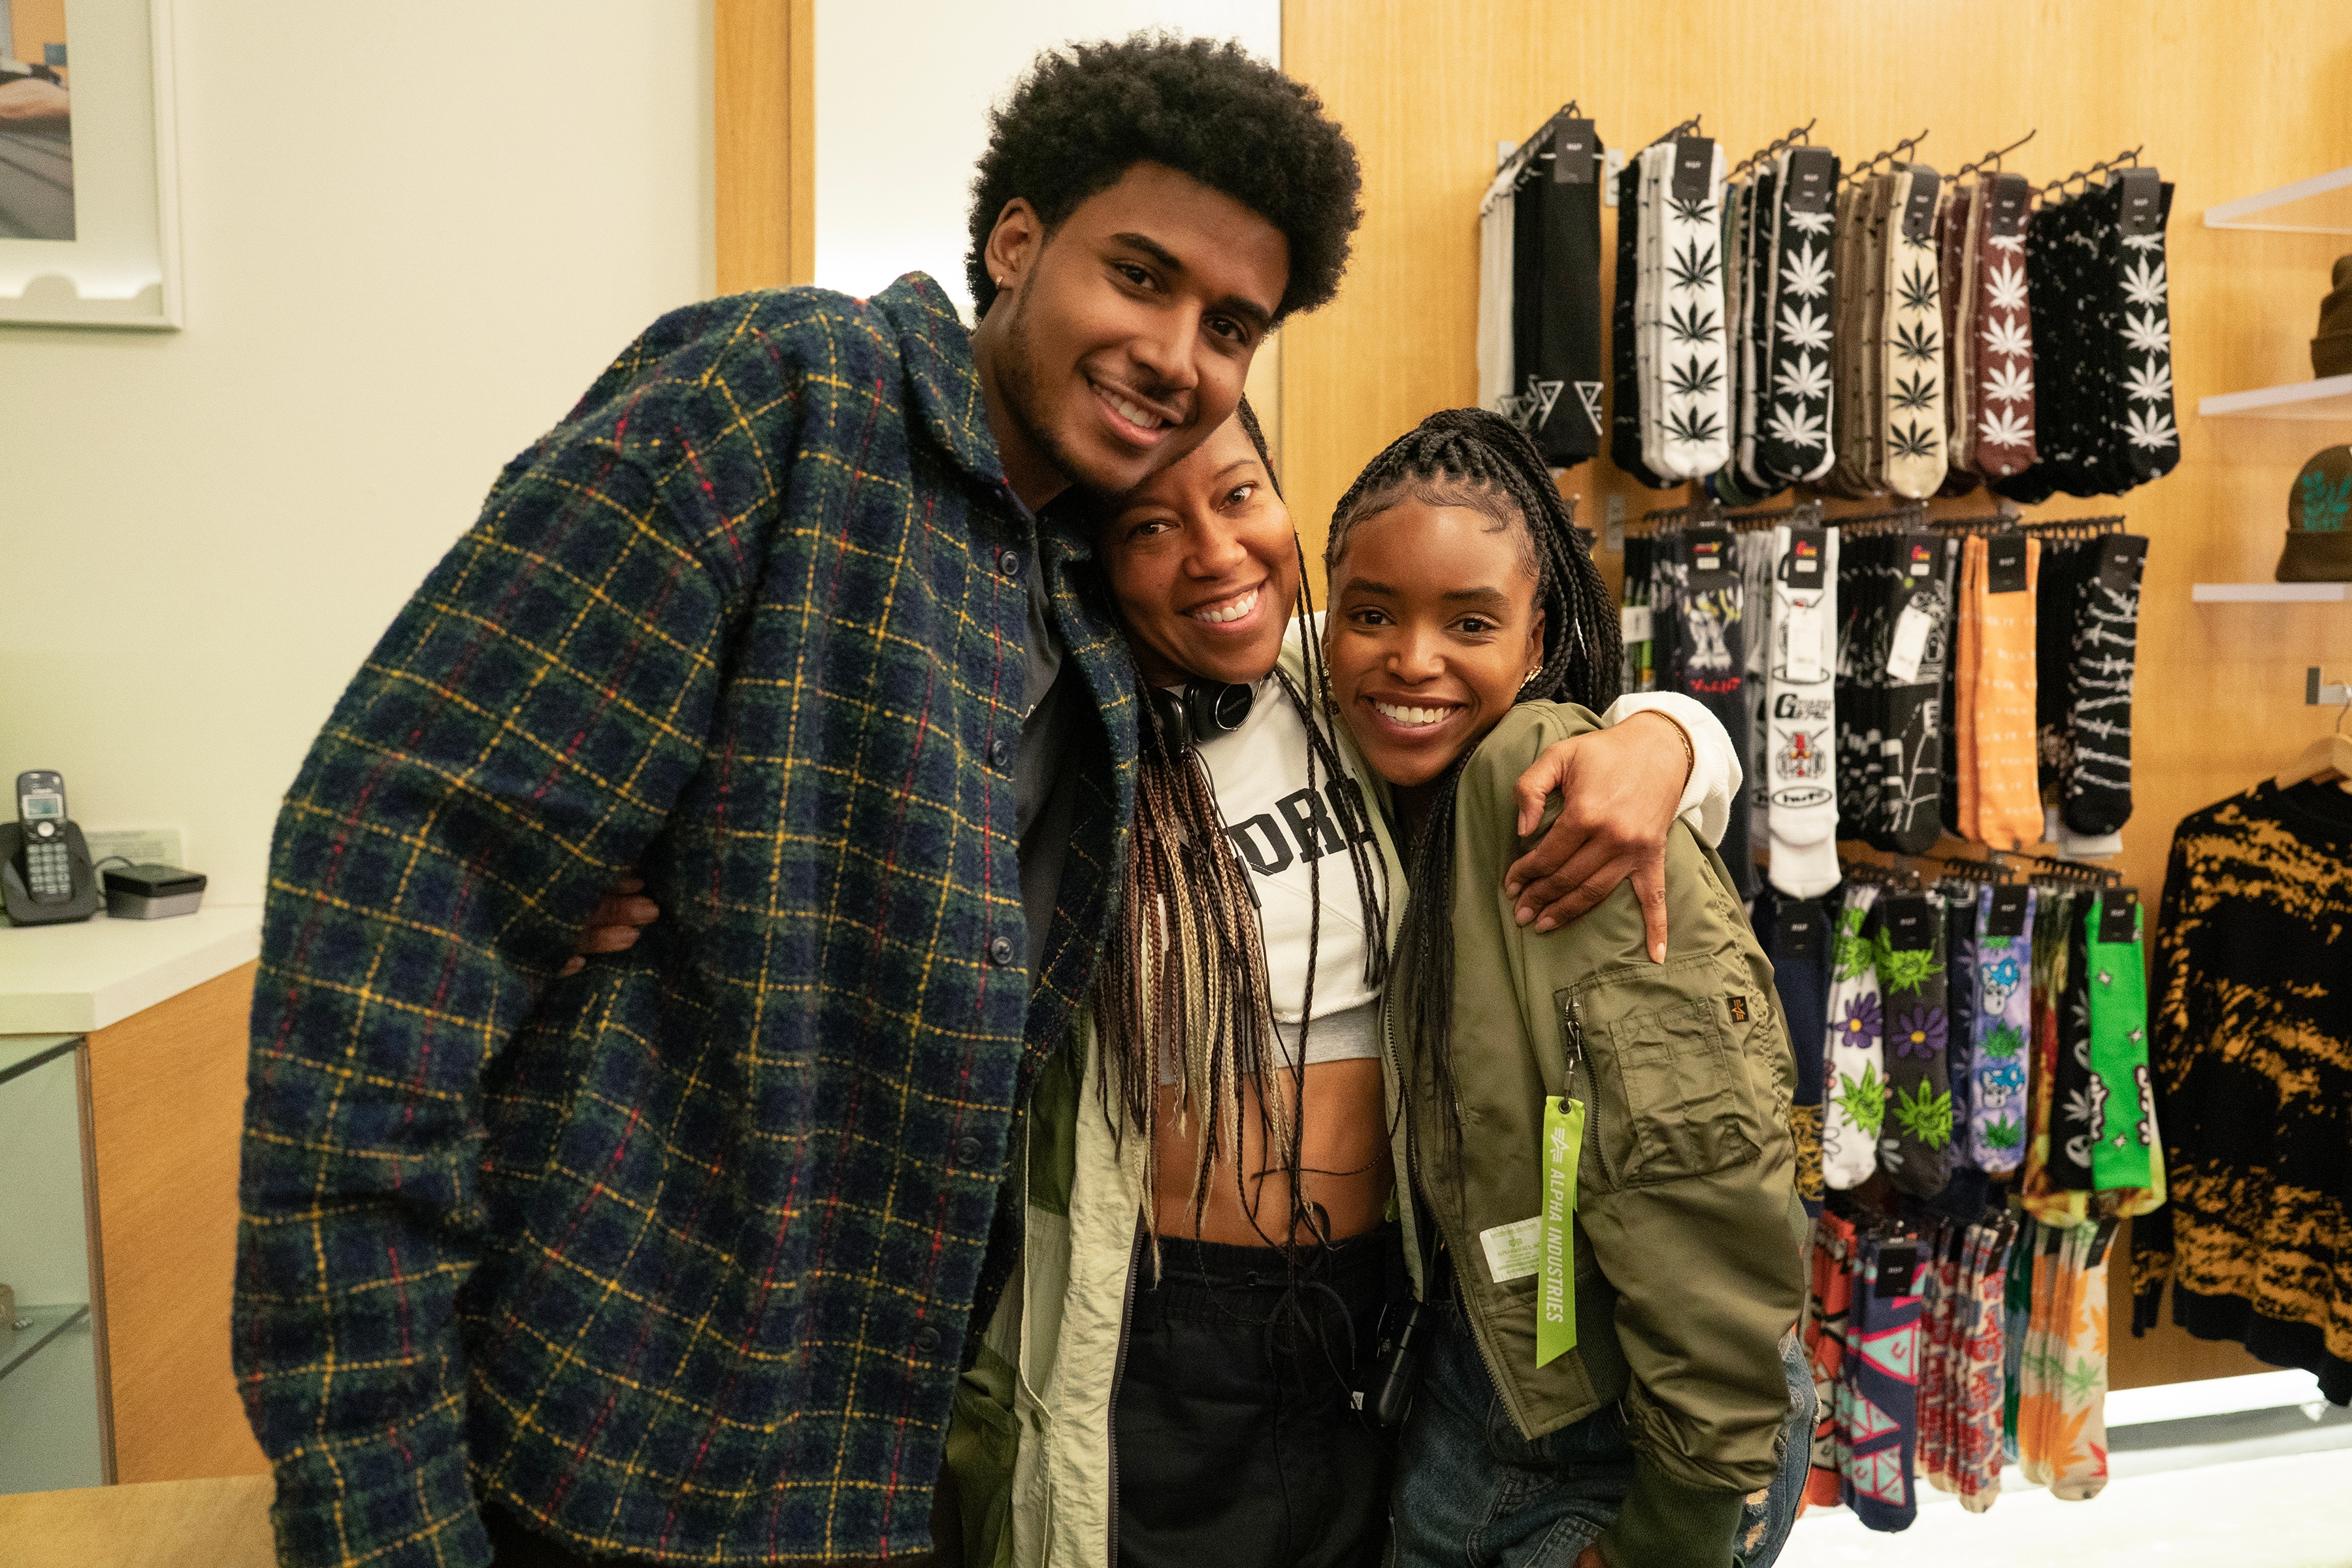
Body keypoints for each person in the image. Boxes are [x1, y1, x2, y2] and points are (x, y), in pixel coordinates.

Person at [233, 37, 1362, 1568]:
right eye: (1141, 275)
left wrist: (1665, 734)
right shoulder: (783, 398)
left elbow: (1384, 675)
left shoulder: (1095, 586)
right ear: (1015, 242)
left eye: (1230, 325)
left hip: (872, 1466)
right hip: (602, 1446)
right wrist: (375, 1495)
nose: (1178, 353)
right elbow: (398, 897)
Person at [921, 404, 1742, 1568]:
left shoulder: (1330, 671)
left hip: (1384, 1308)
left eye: (1243, 494)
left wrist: (1665, 740)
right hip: (1167, 1324)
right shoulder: (1067, 737)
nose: (1217, 551)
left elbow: (1613, 731)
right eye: (1152, 525)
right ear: (1097, 554)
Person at [1320, 409, 1810, 1568]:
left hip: (1610, 1452)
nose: (1413, 657)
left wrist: (1680, 1527)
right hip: (1489, 1399)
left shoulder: (1554, 797)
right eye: (1372, 614)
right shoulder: (1414, 769)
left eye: (1471, 622)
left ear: (1539, 638)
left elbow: (1707, 1168)